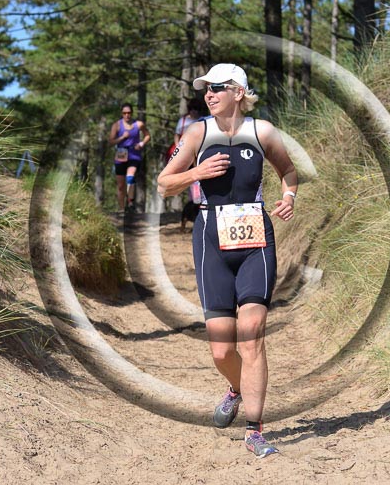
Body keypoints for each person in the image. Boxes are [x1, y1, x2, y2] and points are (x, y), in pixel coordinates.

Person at [157, 63, 298, 458]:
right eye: (206, 88)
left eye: (217, 87)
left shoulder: (263, 132)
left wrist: (289, 197)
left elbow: (288, 171)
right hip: (210, 239)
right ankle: (236, 389)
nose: (209, 93)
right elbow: (164, 183)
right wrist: (197, 172)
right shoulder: (197, 133)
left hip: (255, 238)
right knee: (221, 350)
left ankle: (255, 431)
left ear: (238, 91)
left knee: (252, 334)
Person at [109, 103, 150, 211]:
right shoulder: (117, 125)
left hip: (134, 153)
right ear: (121, 113)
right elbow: (111, 142)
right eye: (124, 113)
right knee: (121, 185)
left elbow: (147, 135)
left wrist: (141, 144)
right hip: (121, 153)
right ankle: (122, 208)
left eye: (129, 113)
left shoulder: (138, 124)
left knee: (130, 177)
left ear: (132, 113)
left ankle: (130, 202)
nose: (127, 115)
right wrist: (122, 137)